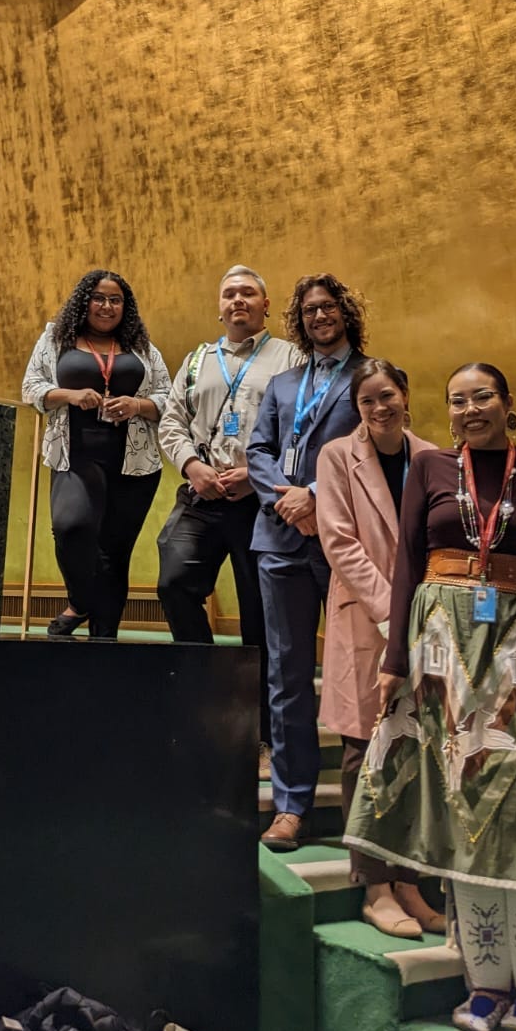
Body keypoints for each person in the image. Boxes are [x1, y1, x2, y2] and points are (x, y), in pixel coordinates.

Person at [345, 363, 516, 1031]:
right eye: (457, 401)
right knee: (463, 819)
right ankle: (484, 986)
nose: (469, 409)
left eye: (482, 397)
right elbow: (404, 570)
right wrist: (395, 664)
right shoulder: (427, 471)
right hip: (441, 659)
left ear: (509, 404)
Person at [316, 358, 444, 938]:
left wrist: (424, 613)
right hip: (367, 618)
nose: (378, 408)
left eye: (386, 395)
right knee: (364, 749)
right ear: (357, 407)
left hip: (429, 622)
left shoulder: (435, 456)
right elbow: (340, 542)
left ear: (405, 394)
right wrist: (396, 612)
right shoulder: (338, 457)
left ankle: (411, 881)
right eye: (367, 401)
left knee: (417, 750)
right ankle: (373, 884)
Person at [156, 265, 303, 759]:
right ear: (219, 307)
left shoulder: (291, 357)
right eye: (229, 294)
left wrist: (257, 476)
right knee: (173, 581)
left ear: (265, 305)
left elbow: (302, 429)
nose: (237, 300)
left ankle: (260, 734)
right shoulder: (198, 359)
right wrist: (192, 465)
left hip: (261, 503)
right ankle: (209, 699)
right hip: (203, 495)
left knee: (262, 619)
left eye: (248, 293)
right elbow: (172, 420)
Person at [246, 272, 367, 850]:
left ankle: (364, 813)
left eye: (329, 307)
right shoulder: (283, 382)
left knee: (356, 673)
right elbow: (258, 450)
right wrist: (289, 499)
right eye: (311, 310)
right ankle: (291, 808)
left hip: (344, 541)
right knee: (287, 675)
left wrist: (315, 496)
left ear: (345, 312)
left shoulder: (371, 376)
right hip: (279, 540)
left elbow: (375, 451)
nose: (320, 316)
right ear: (299, 318)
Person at [22, 270, 171, 640]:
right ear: (83, 301)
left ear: (126, 307)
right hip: (74, 456)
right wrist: (70, 395)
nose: (107, 306)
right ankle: (80, 602)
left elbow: (171, 399)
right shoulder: (56, 339)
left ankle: (104, 643)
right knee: (72, 526)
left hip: (134, 465)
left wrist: (138, 404)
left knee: (114, 555)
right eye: (99, 298)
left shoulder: (142, 349)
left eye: (115, 300)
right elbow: (31, 388)